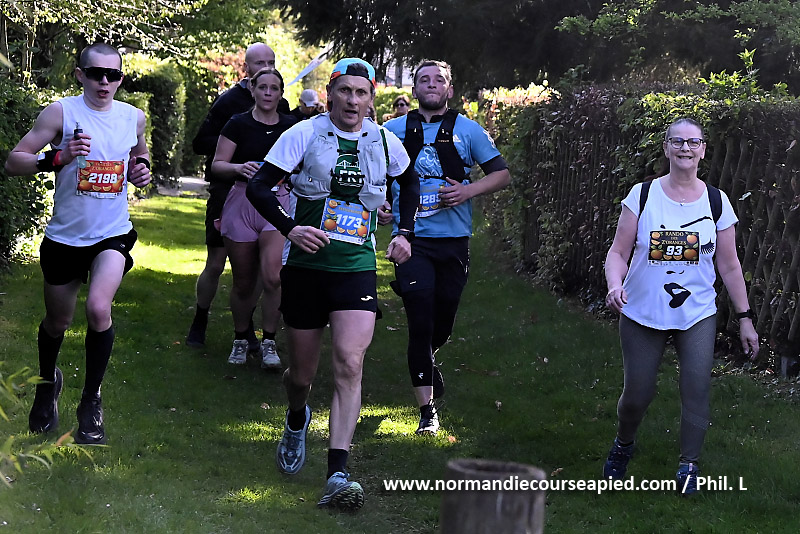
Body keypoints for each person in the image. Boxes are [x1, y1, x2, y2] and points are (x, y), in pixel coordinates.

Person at [246, 58, 419, 510]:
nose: (353, 101)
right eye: (345, 91)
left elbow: (409, 183)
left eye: (361, 93)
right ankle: (296, 416)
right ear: (330, 94)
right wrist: (289, 229)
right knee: (301, 375)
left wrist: (404, 232)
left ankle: (337, 473)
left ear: (371, 99)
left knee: (349, 362)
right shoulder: (302, 134)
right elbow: (259, 187)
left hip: (356, 268)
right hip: (306, 269)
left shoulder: (385, 141)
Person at [602, 117, 760, 495]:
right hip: (642, 311)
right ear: (666, 148)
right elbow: (618, 253)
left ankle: (689, 465)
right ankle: (624, 443)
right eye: (677, 142)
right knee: (637, 394)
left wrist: (745, 318)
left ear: (703, 150)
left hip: (696, 313)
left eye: (693, 142)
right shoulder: (642, 195)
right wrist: (614, 285)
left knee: (696, 387)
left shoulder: (716, 202)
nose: (685, 148)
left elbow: (729, 265)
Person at [4, 43, 151, 444]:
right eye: (96, 74)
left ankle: (91, 401)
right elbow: (14, 161)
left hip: (112, 234)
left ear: (120, 79)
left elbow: (140, 154)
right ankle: (46, 384)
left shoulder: (133, 117)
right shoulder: (61, 113)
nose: (104, 82)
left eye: (113, 75)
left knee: (99, 308)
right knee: (58, 322)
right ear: (80, 75)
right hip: (65, 237)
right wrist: (57, 158)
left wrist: (141, 170)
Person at [381, 59, 510, 435]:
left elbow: (502, 174)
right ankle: (427, 411)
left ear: (449, 90)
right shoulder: (391, 131)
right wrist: (383, 205)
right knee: (420, 322)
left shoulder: (468, 130)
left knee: (443, 321)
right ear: (414, 90)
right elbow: (374, 176)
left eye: (439, 80)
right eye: (424, 80)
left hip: (454, 241)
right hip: (410, 239)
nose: (431, 84)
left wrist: (468, 191)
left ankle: (428, 356)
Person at [186, 42, 289, 350]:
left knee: (262, 270)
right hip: (228, 189)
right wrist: (236, 147)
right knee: (217, 261)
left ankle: (248, 330)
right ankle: (200, 317)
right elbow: (200, 143)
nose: (266, 68)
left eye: (271, 62)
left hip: (268, 194)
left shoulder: (281, 105)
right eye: (259, 63)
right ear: (247, 69)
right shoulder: (230, 103)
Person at [212, 68, 297, 368]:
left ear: (281, 93)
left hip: (277, 201)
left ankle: (269, 341)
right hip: (242, 201)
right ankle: (241, 338)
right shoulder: (238, 123)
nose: (268, 93)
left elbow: (305, 162)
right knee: (244, 282)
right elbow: (217, 165)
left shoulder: (290, 126)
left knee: (274, 276)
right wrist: (238, 168)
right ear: (252, 89)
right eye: (262, 87)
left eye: (274, 88)